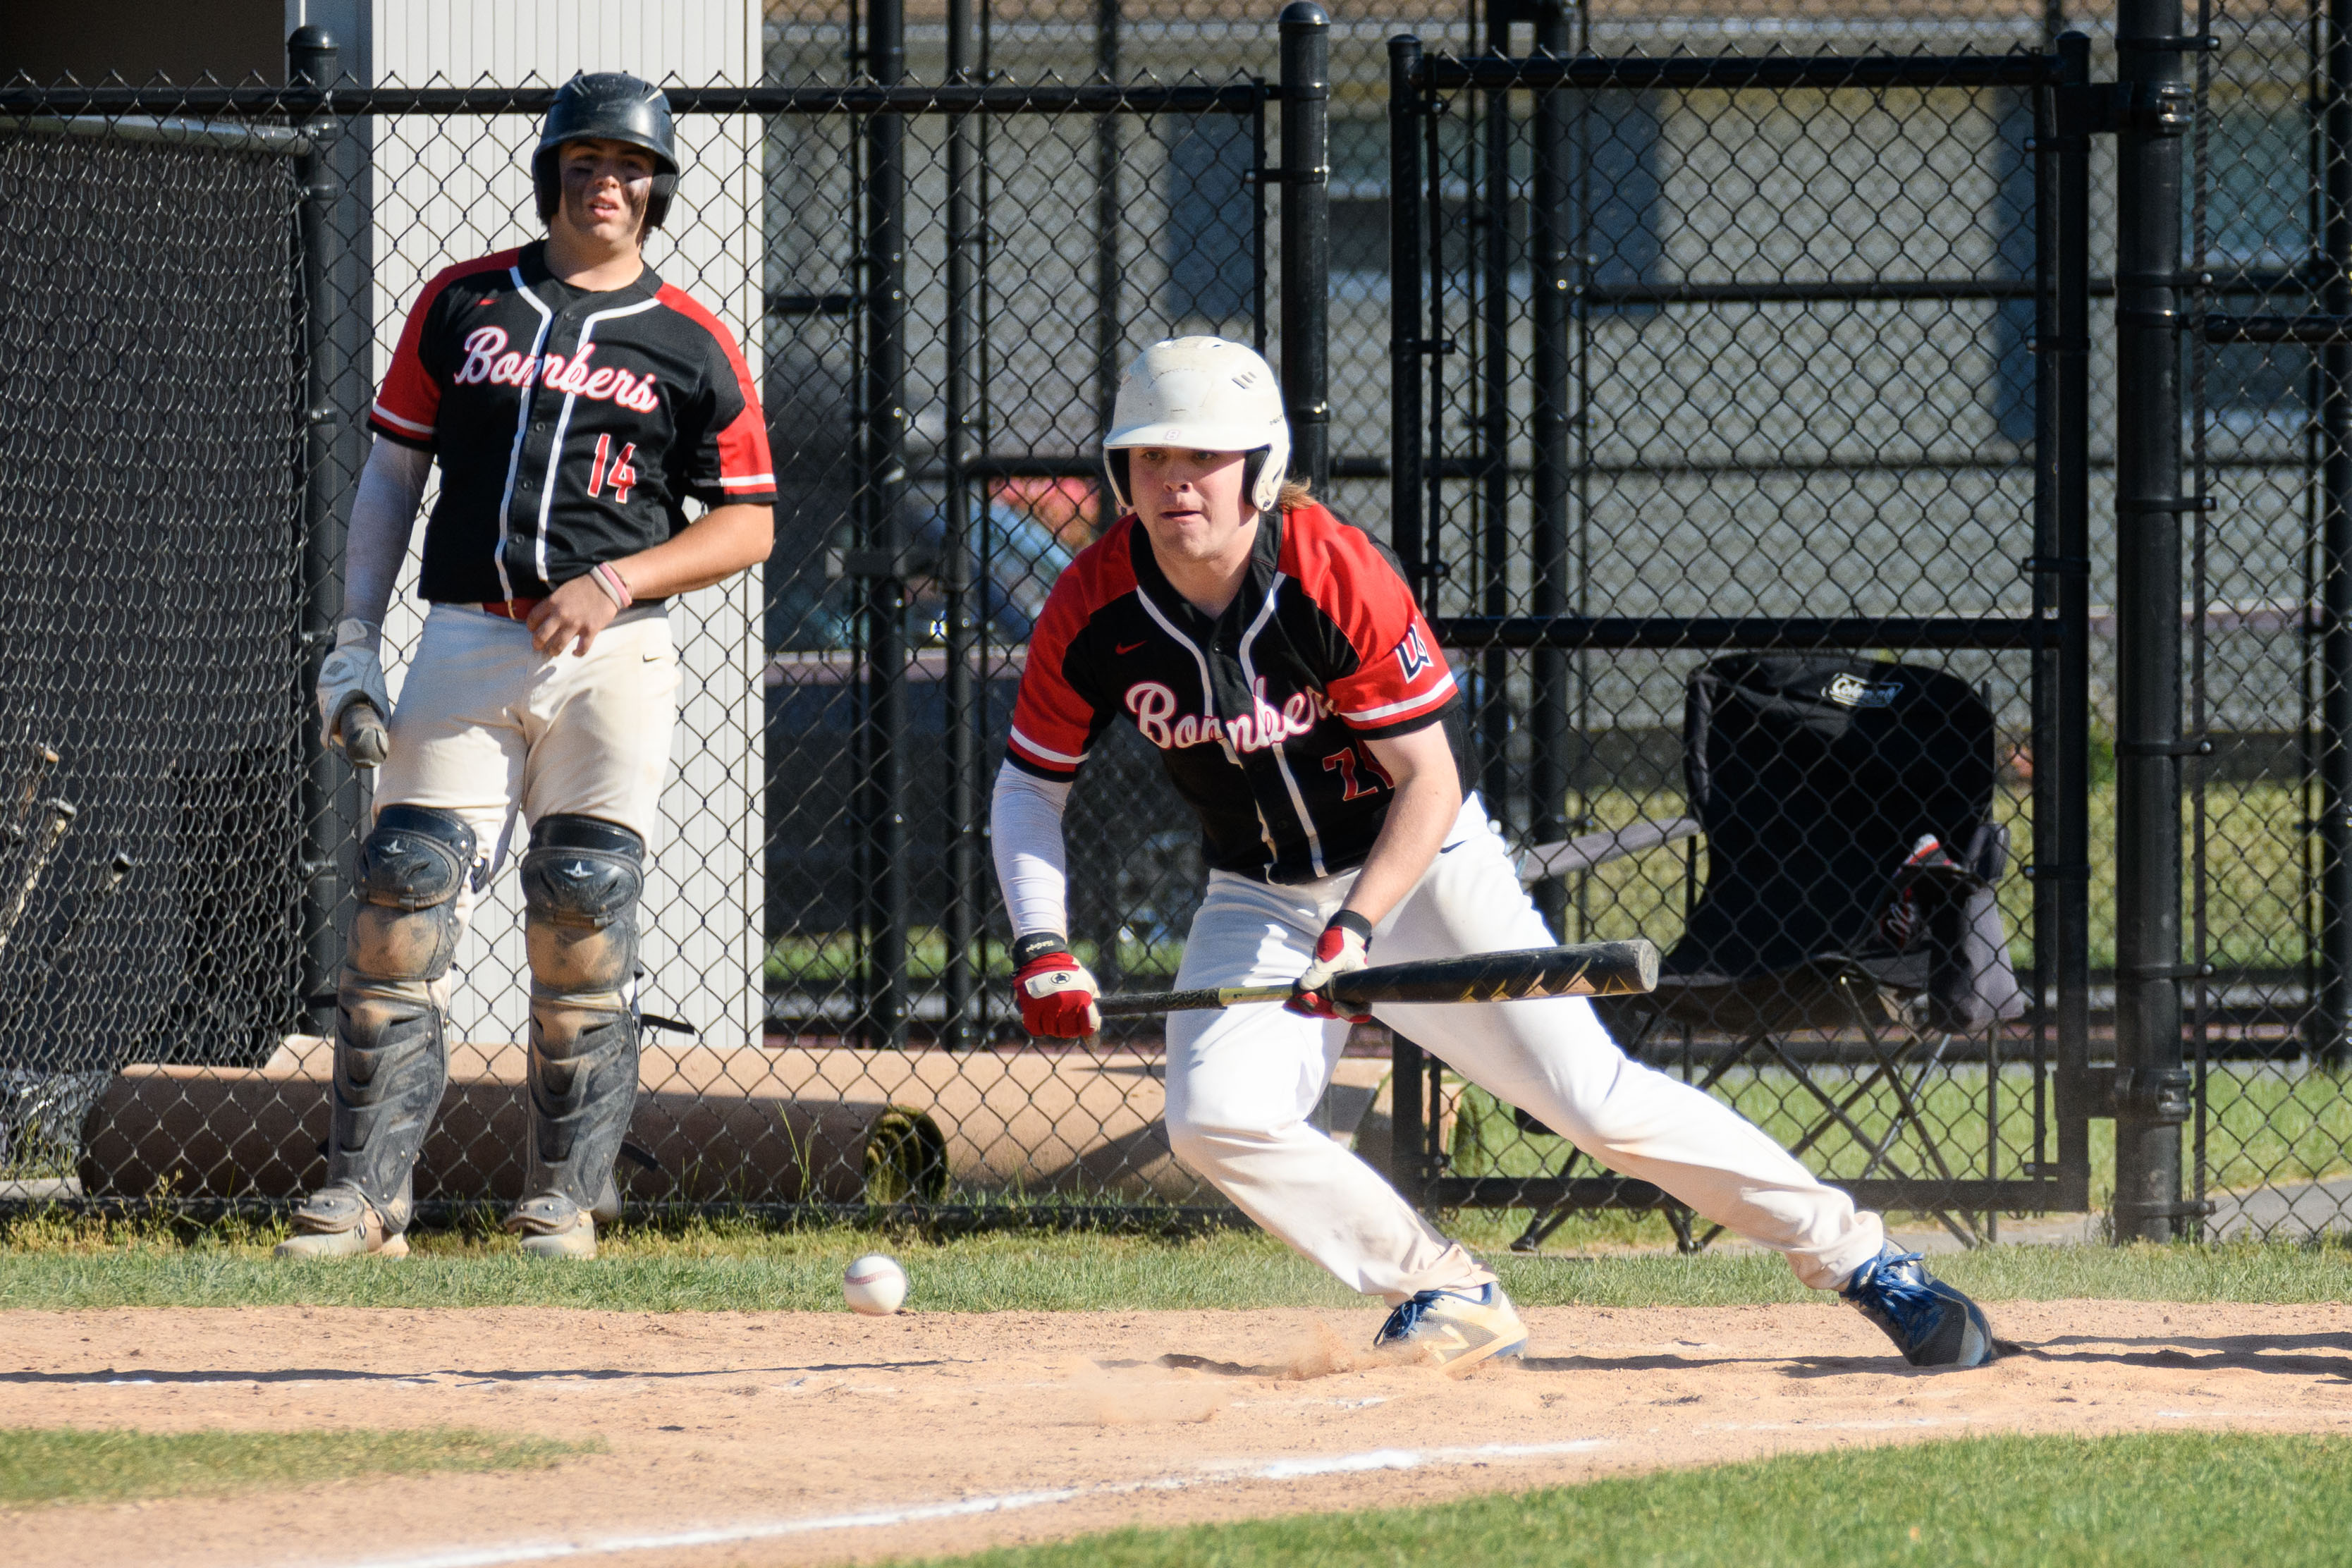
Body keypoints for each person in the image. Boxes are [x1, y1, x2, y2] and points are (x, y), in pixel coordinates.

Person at [990, 335, 1996, 1371]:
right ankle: (1444, 1288)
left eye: (1201, 458)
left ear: (1261, 467)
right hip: (1258, 891)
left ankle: (1868, 1261)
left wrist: (1358, 930)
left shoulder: (1332, 573)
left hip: (1419, 871)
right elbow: (1029, 787)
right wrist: (1043, 944)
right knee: (1215, 1121)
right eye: (1150, 458)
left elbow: (1427, 783)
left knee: (1595, 1104)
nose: (1174, 482)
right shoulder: (1093, 606)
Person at [278, 73, 777, 1260]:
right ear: (552, 173)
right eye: (588, 164)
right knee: (401, 896)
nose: (610, 184)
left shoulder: (692, 338)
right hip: (467, 632)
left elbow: (750, 520)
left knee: (582, 908)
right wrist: (355, 638)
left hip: (615, 654)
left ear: (658, 188)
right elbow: (393, 476)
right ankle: (365, 1198)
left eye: (632, 168)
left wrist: (620, 579)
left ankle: (567, 1196)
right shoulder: (465, 304)